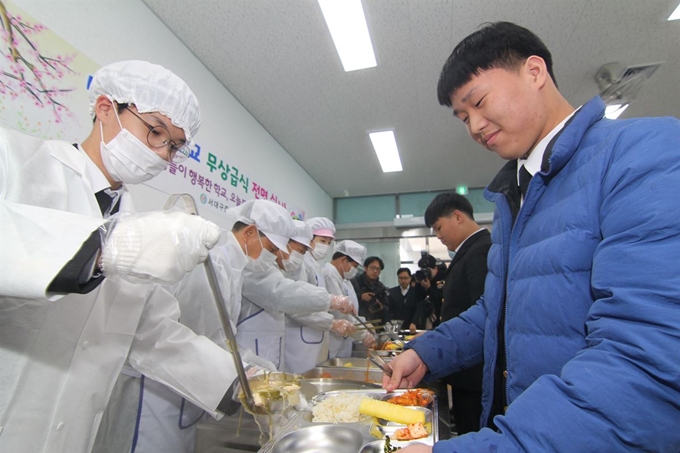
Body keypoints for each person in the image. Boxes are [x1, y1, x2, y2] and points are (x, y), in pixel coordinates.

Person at [383, 21, 680, 452]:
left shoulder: (643, 154)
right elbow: (497, 313)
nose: (474, 127)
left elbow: (648, 360)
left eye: (479, 102)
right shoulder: (514, 195)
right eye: (463, 117)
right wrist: (427, 352)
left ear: (534, 71)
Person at [0, 60, 221, 452]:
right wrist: (107, 247)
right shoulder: (15, 160)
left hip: (73, 434)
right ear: (105, 108)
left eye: (173, 145)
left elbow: (153, 332)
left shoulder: (132, 221)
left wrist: (240, 380)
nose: (163, 154)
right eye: (155, 131)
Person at [237, 217, 356, 370]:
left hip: (271, 350)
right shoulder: (254, 267)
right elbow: (283, 294)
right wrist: (331, 302)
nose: (298, 257)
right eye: (299, 251)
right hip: (255, 352)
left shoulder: (274, 268)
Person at [424, 192, 491, 435]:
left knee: (473, 431)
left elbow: (483, 312)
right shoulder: (467, 252)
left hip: (475, 373)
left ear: (458, 216)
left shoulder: (481, 250)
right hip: (464, 368)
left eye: (439, 227)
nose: (438, 236)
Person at [284, 217, 340, 373]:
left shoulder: (315, 265)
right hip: (299, 338)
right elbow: (295, 303)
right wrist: (330, 322)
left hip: (314, 336)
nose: (326, 246)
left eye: (329, 243)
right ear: (310, 239)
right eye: (322, 240)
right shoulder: (300, 261)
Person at [324, 240, 375, 358]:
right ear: (343, 260)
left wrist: (365, 324)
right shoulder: (329, 275)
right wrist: (363, 334)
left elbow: (352, 312)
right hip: (333, 341)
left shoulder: (344, 280)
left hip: (344, 340)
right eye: (355, 266)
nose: (355, 270)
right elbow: (340, 313)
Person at [403, 254, 443, 332]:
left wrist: (429, 288)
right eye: (422, 269)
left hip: (439, 323)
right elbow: (412, 304)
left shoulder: (442, 280)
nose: (425, 272)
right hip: (422, 323)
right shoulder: (419, 280)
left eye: (427, 270)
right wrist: (417, 286)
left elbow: (439, 303)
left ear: (435, 269)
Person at [351, 256, 390, 324]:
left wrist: (380, 307)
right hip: (357, 321)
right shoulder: (355, 282)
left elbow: (387, 307)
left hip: (375, 323)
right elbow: (346, 298)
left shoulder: (381, 287)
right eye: (372, 268)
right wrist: (361, 297)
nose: (375, 271)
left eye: (378, 269)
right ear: (365, 268)